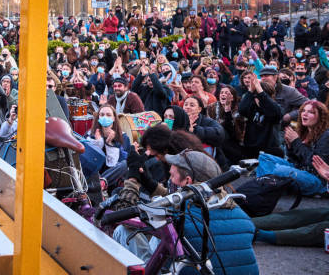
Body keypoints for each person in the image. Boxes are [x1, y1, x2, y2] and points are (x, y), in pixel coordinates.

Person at [113, 150, 258, 275]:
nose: (169, 180)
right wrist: (150, 184)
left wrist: (132, 179)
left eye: (172, 176)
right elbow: (181, 196)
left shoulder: (178, 215)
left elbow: (124, 214)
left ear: (188, 181)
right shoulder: (243, 217)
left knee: (123, 230)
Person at [86, 105, 130, 190]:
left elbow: (121, 161)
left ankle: (101, 182)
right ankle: (98, 183)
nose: (105, 117)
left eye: (108, 115)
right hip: (94, 171)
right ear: (98, 117)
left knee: (125, 164)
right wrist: (97, 143)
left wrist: (111, 144)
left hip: (112, 175)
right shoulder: (90, 134)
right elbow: (87, 158)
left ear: (114, 118)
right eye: (102, 115)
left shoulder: (123, 137)